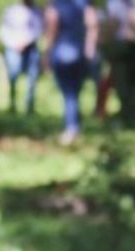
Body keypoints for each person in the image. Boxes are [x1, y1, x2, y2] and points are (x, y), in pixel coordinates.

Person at [44, 0, 98, 144]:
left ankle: (72, 128)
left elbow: (51, 28)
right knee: (74, 93)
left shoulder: (56, 5)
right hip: (80, 54)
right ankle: (75, 125)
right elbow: (92, 25)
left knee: (69, 94)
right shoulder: (83, 4)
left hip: (63, 54)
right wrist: (90, 50)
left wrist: (47, 53)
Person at [105, 0, 135, 125]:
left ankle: (132, 117)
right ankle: (129, 116)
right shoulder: (115, 3)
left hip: (134, 47)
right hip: (126, 47)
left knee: (130, 84)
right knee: (125, 85)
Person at [0, 0, 43, 114]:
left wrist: (25, 42)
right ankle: (12, 104)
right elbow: (4, 30)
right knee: (13, 76)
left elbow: (38, 29)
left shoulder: (36, 11)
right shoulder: (11, 11)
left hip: (30, 48)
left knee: (32, 78)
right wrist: (13, 44)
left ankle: (30, 106)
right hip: (13, 48)